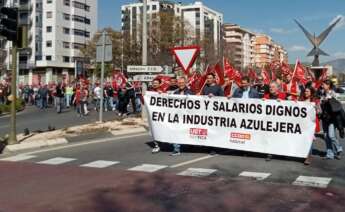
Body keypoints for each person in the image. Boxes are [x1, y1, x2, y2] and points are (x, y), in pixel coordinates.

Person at [320, 80, 343, 160]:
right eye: (322, 84)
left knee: (331, 135)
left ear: (328, 85)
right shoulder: (322, 93)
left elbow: (337, 103)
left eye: (324, 84)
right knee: (326, 137)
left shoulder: (332, 93)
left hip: (332, 118)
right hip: (324, 118)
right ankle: (330, 154)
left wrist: (330, 99)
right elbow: (320, 103)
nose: (322, 86)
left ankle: (339, 149)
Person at [171, 77, 194, 156]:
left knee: (187, 132)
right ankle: (176, 149)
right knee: (176, 131)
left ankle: (190, 145)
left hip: (187, 117)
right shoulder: (175, 92)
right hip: (178, 116)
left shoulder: (190, 92)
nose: (181, 84)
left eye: (182, 83)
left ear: (185, 83)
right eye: (179, 83)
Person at [299, 86, 321, 165]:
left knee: (309, 140)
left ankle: (308, 156)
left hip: (311, 124)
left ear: (311, 92)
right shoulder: (301, 100)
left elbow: (319, 112)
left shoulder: (315, 101)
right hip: (303, 124)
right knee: (304, 139)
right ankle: (304, 154)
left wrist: (316, 108)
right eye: (305, 91)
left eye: (307, 91)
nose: (306, 93)